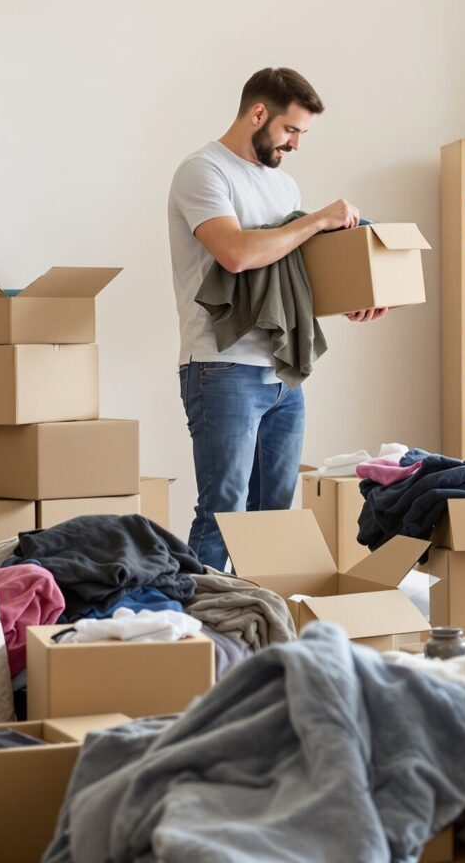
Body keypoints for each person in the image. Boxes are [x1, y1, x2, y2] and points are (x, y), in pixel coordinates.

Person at [168, 67, 385, 570]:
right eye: (291, 130)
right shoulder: (204, 171)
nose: (296, 144)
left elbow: (290, 271)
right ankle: (195, 634)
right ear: (258, 113)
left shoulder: (283, 186)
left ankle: (255, 627)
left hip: (283, 370)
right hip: (221, 366)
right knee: (223, 513)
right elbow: (237, 254)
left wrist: (354, 295)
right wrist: (317, 219)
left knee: (272, 519)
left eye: (302, 134)